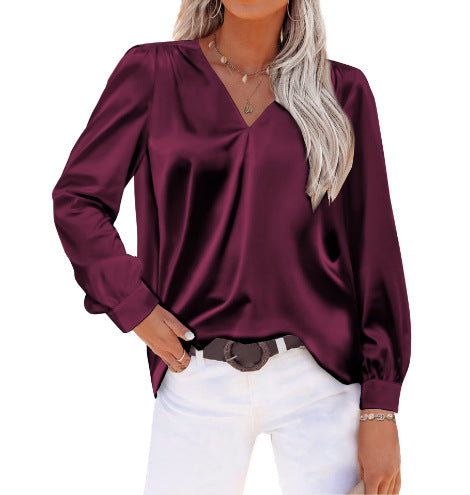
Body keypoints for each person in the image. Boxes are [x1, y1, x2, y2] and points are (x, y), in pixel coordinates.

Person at [51, 1, 411, 494]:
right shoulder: (152, 73)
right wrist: (133, 305)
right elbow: (78, 199)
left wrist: (380, 405)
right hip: (196, 372)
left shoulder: (342, 91)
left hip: (321, 379)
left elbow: (374, 248)